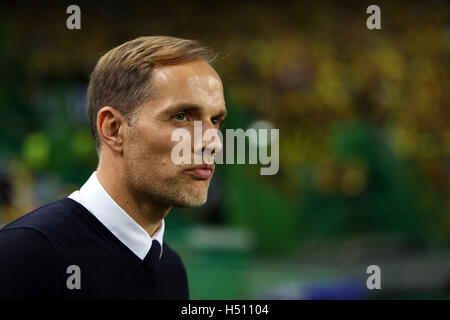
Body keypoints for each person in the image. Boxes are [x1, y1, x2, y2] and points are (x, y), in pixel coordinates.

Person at [0, 36, 226, 299]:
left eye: (215, 120)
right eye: (181, 116)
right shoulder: (23, 255)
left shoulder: (171, 270)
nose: (213, 143)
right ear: (113, 129)